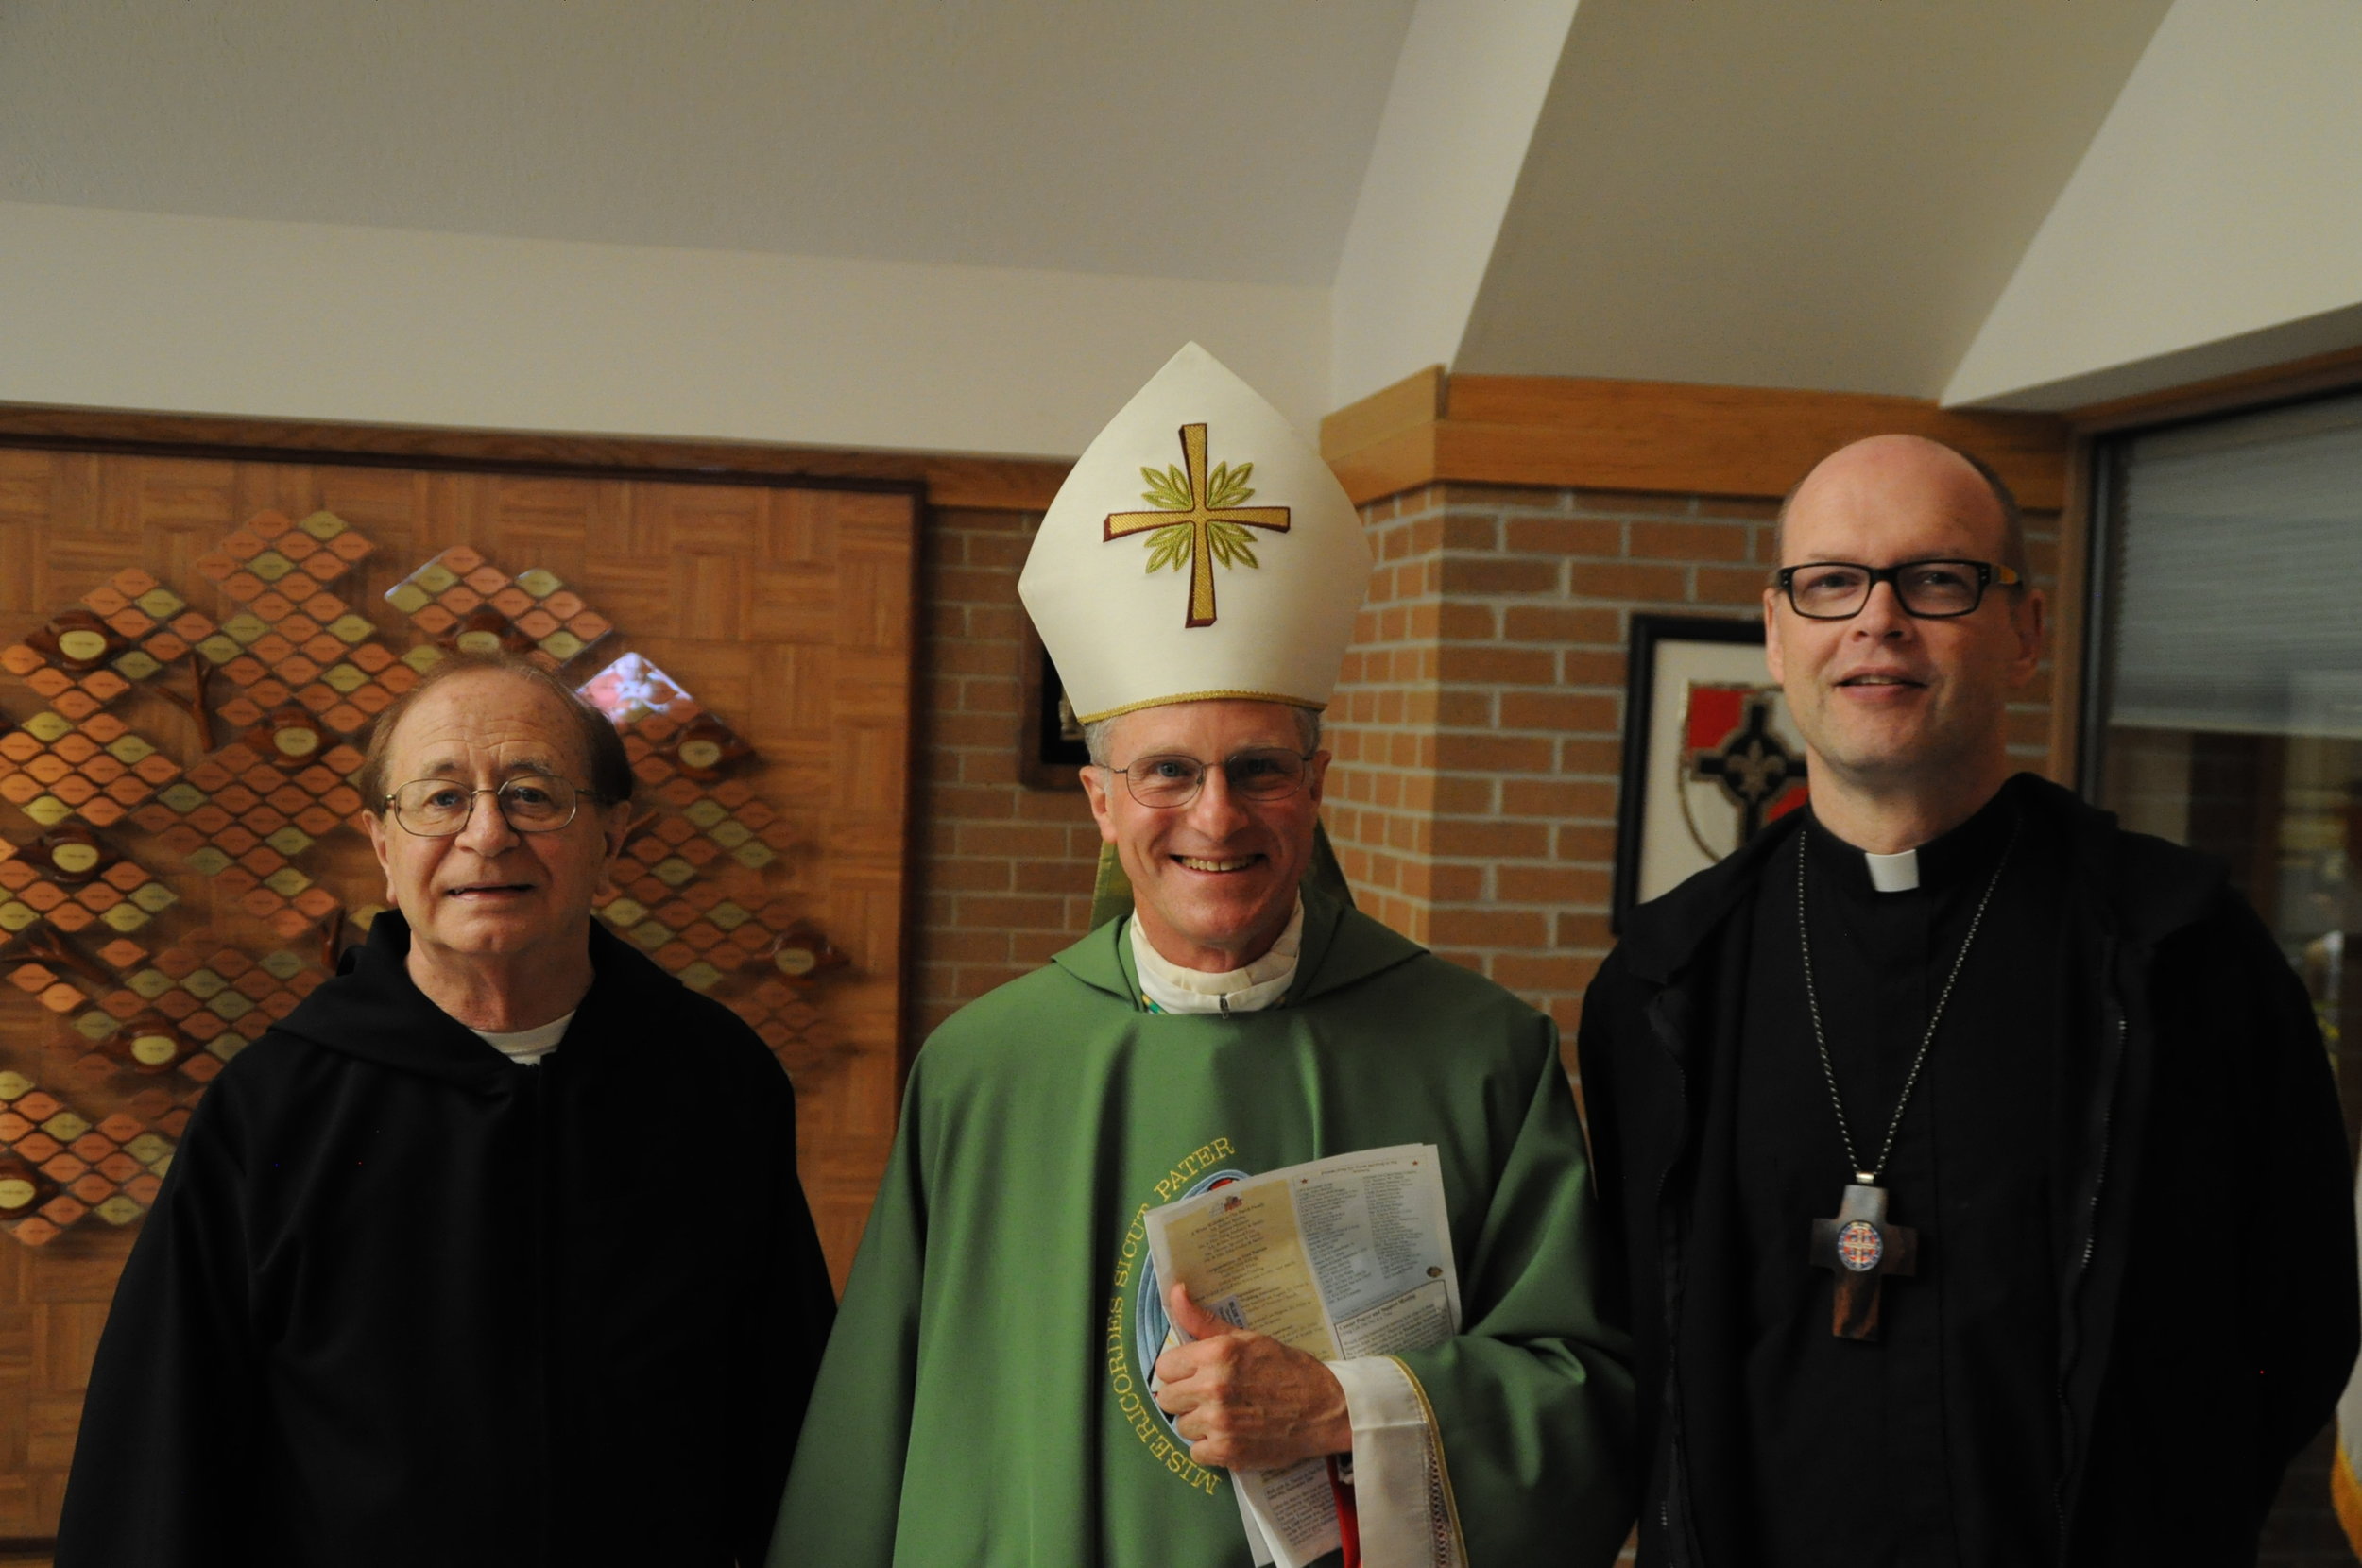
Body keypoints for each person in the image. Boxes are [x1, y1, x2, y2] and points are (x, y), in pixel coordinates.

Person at [770, 343, 1634, 1568]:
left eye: (1260, 770)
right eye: (1168, 771)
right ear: (1101, 803)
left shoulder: (1479, 1054)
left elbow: (1585, 1409)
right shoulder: (981, 1073)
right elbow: (877, 1439)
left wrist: (1343, 1407)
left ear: (1318, 784)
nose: (1217, 817)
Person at [1576, 434, 2358, 1565]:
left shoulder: (2181, 956)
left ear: (2026, 632)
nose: (1877, 619)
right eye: (1831, 581)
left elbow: (2299, 1316)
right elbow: (1641, 1356)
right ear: (1776, 631)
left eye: (1936, 580)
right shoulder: (1666, 984)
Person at [58, 653, 835, 1567]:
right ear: (384, 848)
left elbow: (784, 1391)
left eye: (534, 794)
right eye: (440, 799)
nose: (487, 834)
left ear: (612, 838)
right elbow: (166, 1432)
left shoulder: (715, 1079)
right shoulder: (275, 1105)